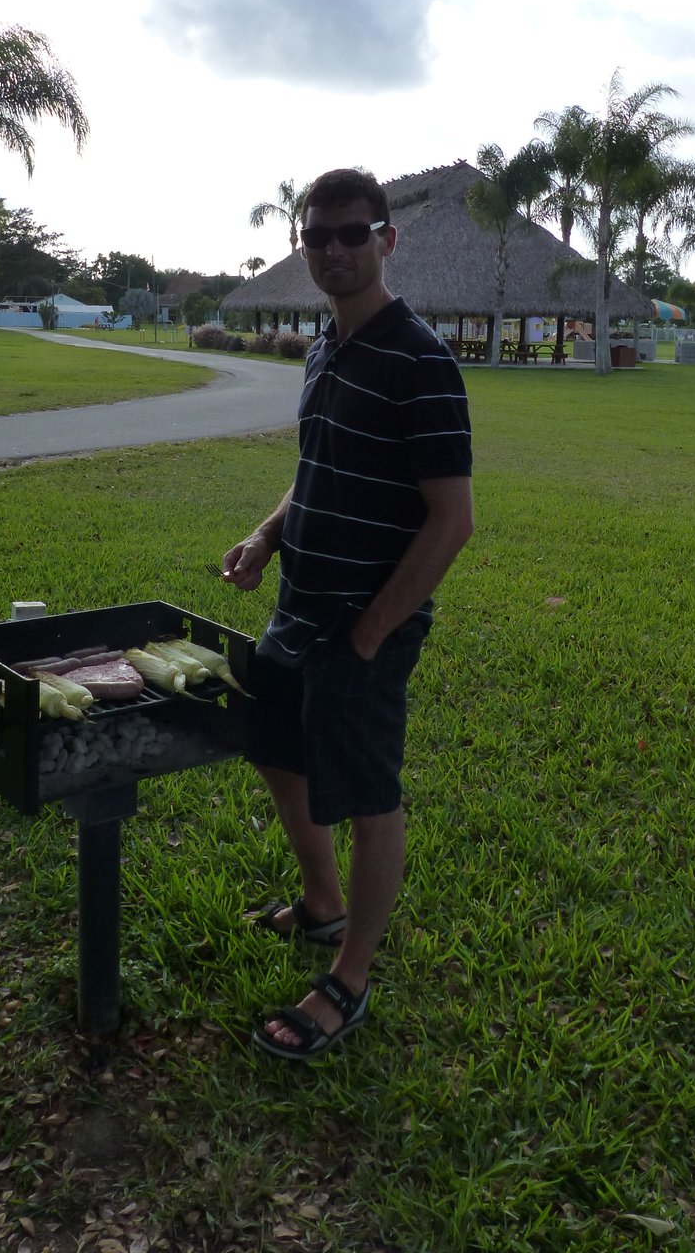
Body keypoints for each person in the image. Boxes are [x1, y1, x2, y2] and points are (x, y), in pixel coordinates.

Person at [223, 167, 474, 1061]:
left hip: (364, 624)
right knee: (274, 749)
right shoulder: (324, 348)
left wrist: (371, 632)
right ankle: (321, 904)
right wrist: (263, 537)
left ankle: (350, 980)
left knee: (369, 796)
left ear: (385, 240)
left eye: (351, 233)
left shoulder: (421, 360)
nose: (333, 250)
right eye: (316, 236)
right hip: (299, 604)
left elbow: (453, 519)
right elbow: (315, 472)